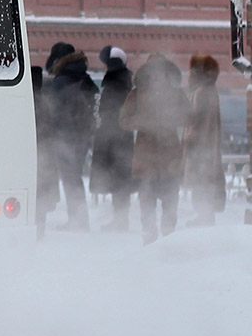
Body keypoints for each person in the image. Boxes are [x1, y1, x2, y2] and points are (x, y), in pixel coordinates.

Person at [120, 55, 189, 244]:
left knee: (170, 199)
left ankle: (169, 237)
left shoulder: (177, 94)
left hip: (170, 156)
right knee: (147, 199)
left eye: (160, 71)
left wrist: (170, 119)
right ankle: (149, 237)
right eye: (153, 71)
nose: (156, 75)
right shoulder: (137, 93)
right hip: (146, 157)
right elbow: (123, 120)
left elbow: (188, 117)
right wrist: (142, 122)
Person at [45, 44, 98, 230]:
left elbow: (53, 111)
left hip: (66, 135)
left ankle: (78, 221)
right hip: (82, 134)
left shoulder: (61, 81)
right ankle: (80, 219)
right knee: (74, 178)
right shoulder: (85, 77)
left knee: (70, 179)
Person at [90, 46, 135, 231]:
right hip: (122, 137)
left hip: (113, 138)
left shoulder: (113, 84)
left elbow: (108, 113)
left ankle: (120, 220)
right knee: (121, 179)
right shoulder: (125, 82)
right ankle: (120, 218)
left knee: (119, 179)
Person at [184, 53, 224, 226]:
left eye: (192, 71)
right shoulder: (210, 90)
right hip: (207, 147)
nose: (189, 74)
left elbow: (198, 123)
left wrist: (190, 142)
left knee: (201, 181)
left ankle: (204, 218)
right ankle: (205, 217)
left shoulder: (201, 93)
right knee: (205, 182)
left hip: (200, 148)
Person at [32, 65, 59, 239]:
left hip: (35, 154)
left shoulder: (27, 101)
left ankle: (37, 230)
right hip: (45, 154)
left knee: (36, 194)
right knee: (41, 195)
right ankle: (40, 229)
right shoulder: (44, 102)